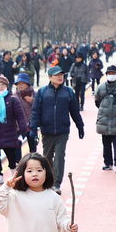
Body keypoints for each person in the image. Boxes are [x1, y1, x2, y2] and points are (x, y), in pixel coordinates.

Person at [28, 66, 84, 195]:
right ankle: (48, 181)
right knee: (47, 158)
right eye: (57, 75)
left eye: (62, 75)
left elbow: (75, 111)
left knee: (59, 156)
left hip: (62, 131)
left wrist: (80, 126)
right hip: (46, 131)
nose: (60, 77)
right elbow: (36, 112)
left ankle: (56, 183)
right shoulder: (42, 92)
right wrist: (34, 129)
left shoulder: (68, 92)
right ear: (50, 77)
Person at [14, 73, 37, 153]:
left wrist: (32, 101)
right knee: (17, 147)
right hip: (18, 127)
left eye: (22, 83)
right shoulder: (14, 96)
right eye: (18, 84)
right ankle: (18, 164)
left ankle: (33, 164)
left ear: (27, 84)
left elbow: (41, 107)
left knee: (33, 148)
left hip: (31, 126)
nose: (20, 85)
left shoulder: (34, 94)